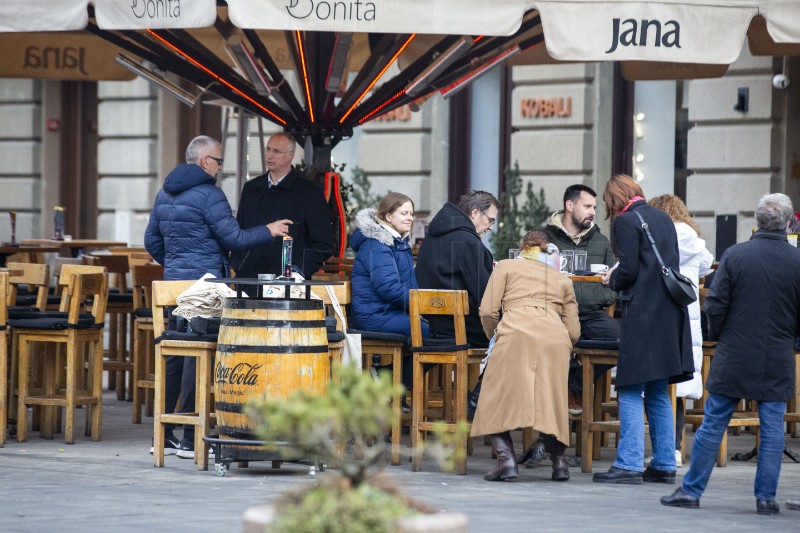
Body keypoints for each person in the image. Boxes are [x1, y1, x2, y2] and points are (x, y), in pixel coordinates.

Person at [661, 193, 800, 515]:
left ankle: (692, 491)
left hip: (735, 351)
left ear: (757, 220)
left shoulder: (736, 256)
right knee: (772, 428)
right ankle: (765, 497)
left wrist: (721, 336)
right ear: (789, 222)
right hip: (777, 355)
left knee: (713, 423)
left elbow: (717, 304)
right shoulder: (796, 261)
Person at [144, 135, 272, 458]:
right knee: (197, 357)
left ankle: (164, 435)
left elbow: (151, 242)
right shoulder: (210, 194)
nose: (220, 167)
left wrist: (175, 265)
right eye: (218, 160)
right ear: (204, 163)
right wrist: (269, 230)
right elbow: (235, 238)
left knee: (175, 356)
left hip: (175, 285)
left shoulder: (164, 193)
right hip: (205, 289)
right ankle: (190, 436)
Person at [592, 174, 693, 485]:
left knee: (630, 388)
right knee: (659, 390)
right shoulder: (663, 218)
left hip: (643, 316)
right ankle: (664, 462)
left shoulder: (626, 222)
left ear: (614, 200)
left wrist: (613, 278)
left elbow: (631, 269)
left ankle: (629, 463)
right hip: (670, 315)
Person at [471, 229, 580, 482]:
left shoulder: (506, 267)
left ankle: (506, 460)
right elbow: (573, 330)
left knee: (493, 397)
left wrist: (495, 336)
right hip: (555, 338)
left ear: (524, 247)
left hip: (515, 332)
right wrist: (562, 342)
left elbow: (487, 311)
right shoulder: (562, 279)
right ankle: (559, 463)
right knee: (551, 402)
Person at [648, 194, 714, 467]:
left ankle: (664, 448)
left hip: (660, 314)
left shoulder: (655, 238)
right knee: (679, 386)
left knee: (658, 386)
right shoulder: (695, 242)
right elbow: (705, 267)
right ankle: (675, 447)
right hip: (688, 317)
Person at [544, 184, 618, 415]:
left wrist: (602, 296)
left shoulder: (601, 241)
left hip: (591, 313)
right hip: (554, 313)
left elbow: (614, 280)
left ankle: (574, 381)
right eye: (587, 206)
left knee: (620, 340)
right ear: (569, 205)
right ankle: (553, 411)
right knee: (545, 344)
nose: (593, 212)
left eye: (594, 207)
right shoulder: (545, 238)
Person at [350, 193, 429, 390]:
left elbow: (407, 285)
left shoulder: (398, 242)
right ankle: (388, 383)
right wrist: (421, 305)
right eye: (403, 213)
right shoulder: (376, 244)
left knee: (441, 332)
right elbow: (389, 289)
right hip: (374, 315)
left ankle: (389, 381)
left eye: (411, 213)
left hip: (391, 312)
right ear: (387, 216)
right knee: (435, 334)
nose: (410, 217)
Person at [231, 132, 336, 278]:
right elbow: (239, 233)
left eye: (276, 151)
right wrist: (237, 264)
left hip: (287, 286)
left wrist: (297, 272)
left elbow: (324, 244)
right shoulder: (251, 188)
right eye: (268, 149)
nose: (269, 155)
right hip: (248, 280)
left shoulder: (309, 193)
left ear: (291, 155)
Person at [415, 190, 500, 348]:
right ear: (475, 213)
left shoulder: (433, 236)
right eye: (490, 220)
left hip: (435, 324)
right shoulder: (468, 242)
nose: (491, 228)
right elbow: (486, 295)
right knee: (512, 336)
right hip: (463, 328)